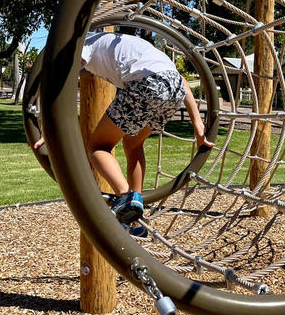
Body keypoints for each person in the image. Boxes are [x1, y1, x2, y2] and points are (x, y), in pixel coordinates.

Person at [34, 31, 212, 229]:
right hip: (174, 90)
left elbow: (62, 82)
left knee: (98, 147)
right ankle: (136, 219)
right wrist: (197, 122)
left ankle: (126, 197)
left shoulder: (84, 42)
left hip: (147, 85)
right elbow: (182, 81)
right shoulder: (123, 43)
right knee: (133, 144)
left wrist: (48, 126)